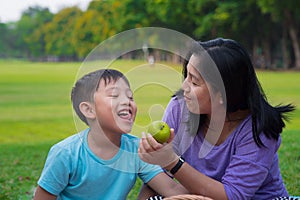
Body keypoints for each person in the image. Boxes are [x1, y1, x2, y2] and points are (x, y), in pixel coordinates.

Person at [139, 38, 295, 200]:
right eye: (186, 76)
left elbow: (233, 196)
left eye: (194, 82)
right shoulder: (180, 107)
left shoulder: (258, 129)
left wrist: (172, 162)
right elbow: (156, 177)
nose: (184, 87)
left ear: (222, 93)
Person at [33, 69, 189, 200]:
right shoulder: (66, 153)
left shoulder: (136, 150)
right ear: (89, 110)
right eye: (114, 95)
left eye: (130, 97)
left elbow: (172, 190)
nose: (127, 101)